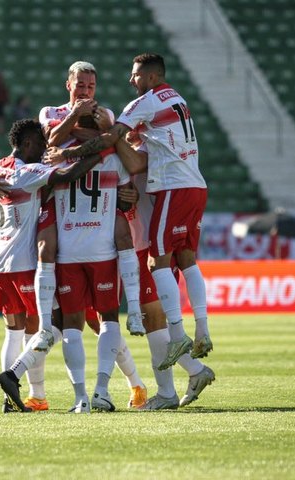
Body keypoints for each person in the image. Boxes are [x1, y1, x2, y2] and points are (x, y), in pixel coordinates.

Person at [46, 53, 213, 371]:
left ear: (151, 77)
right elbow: (134, 160)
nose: (130, 80)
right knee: (187, 259)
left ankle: (178, 336)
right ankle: (201, 332)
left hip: (170, 190)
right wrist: (121, 138)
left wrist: (72, 150)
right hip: (194, 185)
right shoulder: (174, 100)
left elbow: (111, 138)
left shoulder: (143, 104)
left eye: (135, 75)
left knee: (157, 262)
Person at [0, 119, 103, 412]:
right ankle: (13, 376)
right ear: (27, 144)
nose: (44, 148)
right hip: (23, 262)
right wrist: (101, 151)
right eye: (40, 143)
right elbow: (69, 174)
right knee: (55, 327)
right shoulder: (29, 171)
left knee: (14, 331)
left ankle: (23, 398)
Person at [116, 130, 215, 410]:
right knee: (152, 322)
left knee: (154, 320)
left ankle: (168, 392)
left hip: (152, 244)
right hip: (137, 244)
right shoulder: (130, 152)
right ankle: (195, 372)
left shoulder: (148, 152)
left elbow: (139, 173)